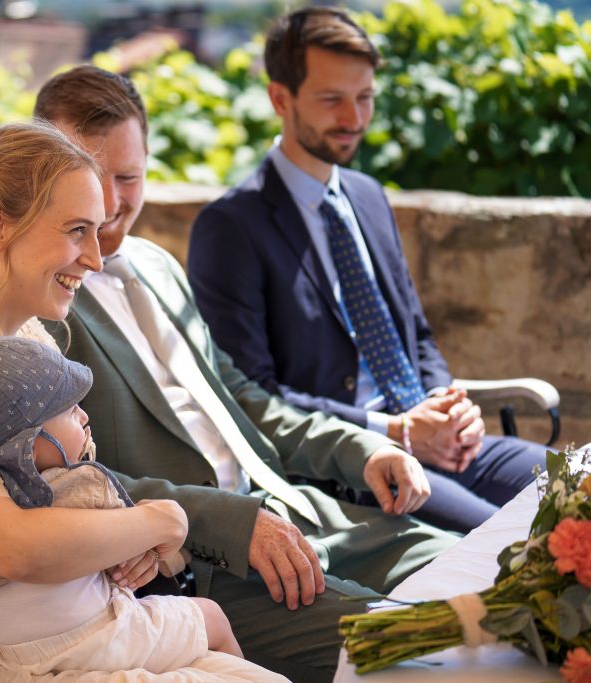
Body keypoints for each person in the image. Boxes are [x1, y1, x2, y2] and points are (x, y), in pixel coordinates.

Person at [32, 64, 461, 683]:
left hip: (295, 508)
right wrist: (232, 525)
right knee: (420, 649)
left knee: (504, 576)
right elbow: (74, 476)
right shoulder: (38, 308)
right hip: (205, 561)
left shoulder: (156, 263)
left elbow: (240, 397)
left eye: (127, 176)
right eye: (89, 178)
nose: (109, 203)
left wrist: (362, 448)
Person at [0, 121, 263, 682]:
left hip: (83, 619)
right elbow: (11, 547)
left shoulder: (31, 338)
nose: (97, 259)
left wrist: (123, 542)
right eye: (77, 230)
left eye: (99, 231)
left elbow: (70, 493)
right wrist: (161, 520)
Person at [186, 7, 544, 535]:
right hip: (355, 467)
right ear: (280, 98)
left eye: (365, 97)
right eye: (332, 99)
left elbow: (414, 336)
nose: (354, 118)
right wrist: (395, 431)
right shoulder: (231, 228)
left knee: (576, 489)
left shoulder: (367, 196)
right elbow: (254, 395)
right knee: (516, 544)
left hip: (434, 442)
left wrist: (447, 408)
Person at [0, 336, 283, 679]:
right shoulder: (87, 487)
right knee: (212, 616)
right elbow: (144, 549)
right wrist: (165, 544)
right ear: (31, 444)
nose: (85, 417)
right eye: (72, 411)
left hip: (20, 652)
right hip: (102, 639)